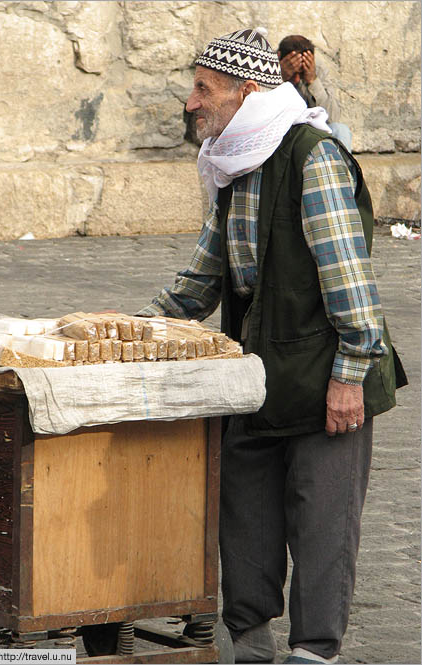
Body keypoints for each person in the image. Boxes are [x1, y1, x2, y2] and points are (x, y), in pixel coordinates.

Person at [137, 27, 407, 664]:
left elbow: (349, 280)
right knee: (246, 513)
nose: (191, 103)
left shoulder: (311, 157)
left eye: (203, 89)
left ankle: (314, 653)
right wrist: (136, 329)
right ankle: (252, 645)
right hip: (257, 373)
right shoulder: (235, 163)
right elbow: (204, 277)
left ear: (245, 92)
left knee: (322, 525)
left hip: (326, 376)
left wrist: (350, 377)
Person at [277, 34, 353, 150]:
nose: (297, 80)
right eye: (293, 74)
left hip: (311, 130)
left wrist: (312, 80)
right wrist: (280, 77)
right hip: (280, 133)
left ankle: (343, 168)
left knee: (340, 130)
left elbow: (333, 117)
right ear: (279, 57)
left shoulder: (316, 67)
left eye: (300, 74)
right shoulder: (269, 66)